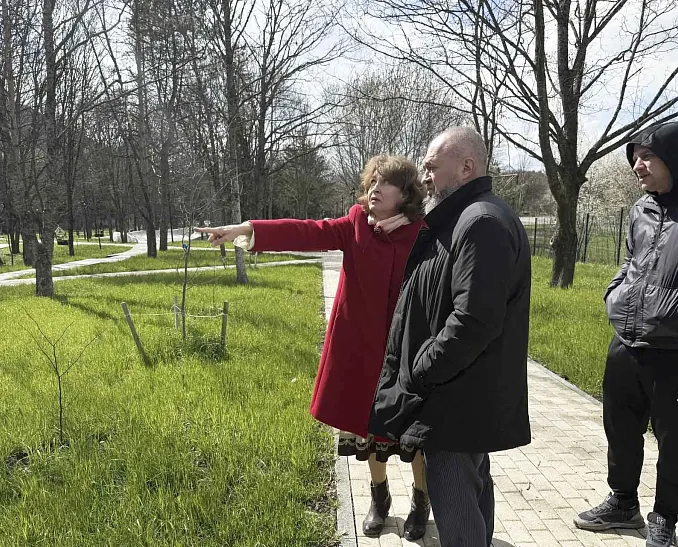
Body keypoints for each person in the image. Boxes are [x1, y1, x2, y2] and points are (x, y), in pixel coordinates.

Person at [196, 156, 432, 540]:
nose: (375, 188)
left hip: (407, 352)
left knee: (412, 433)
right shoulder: (356, 225)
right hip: (362, 352)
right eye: (373, 181)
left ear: (405, 193)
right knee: (369, 427)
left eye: (386, 183)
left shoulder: (423, 234)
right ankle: (379, 497)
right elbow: (306, 231)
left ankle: (421, 501)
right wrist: (247, 229)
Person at [574, 121, 678, 547]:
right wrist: (615, 293)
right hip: (627, 341)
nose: (637, 166)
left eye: (647, 156)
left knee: (676, 439)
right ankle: (622, 502)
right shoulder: (641, 209)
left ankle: (665, 516)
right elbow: (631, 262)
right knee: (620, 427)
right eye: (634, 158)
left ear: (675, 158)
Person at [368, 127, 532, 547]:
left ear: (466, 167)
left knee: (458, 512)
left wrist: (422, 370)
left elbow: (474, 320)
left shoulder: (481, 223)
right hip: (460, 398)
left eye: (431, 168)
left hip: (456, 403)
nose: (425, 178)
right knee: (472, 497)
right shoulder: (461, 218)